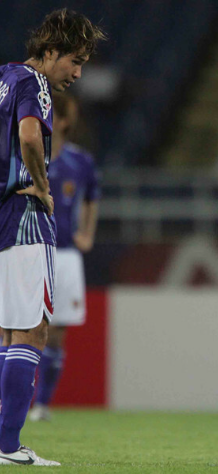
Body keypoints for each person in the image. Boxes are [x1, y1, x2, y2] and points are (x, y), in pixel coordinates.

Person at [0, 9, 104, 465]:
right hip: (25, 219)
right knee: (32, 331)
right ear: (50, 51)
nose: (77, 74)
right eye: (74, 61)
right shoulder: (35, 84)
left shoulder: (4, 77)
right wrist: (42, 187)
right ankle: (8, 446)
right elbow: (29, 136)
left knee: (7, 332)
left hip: (2, 217)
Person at [29, 92, 100, 422]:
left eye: (52, 114)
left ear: (64, 121)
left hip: (66, 254)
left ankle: (42, 404)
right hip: (29, 249)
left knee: (56, 332)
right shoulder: (26, 154)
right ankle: (13, 400)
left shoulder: (80, 161)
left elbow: (91, 198)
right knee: (19, 327)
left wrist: (87, 233)